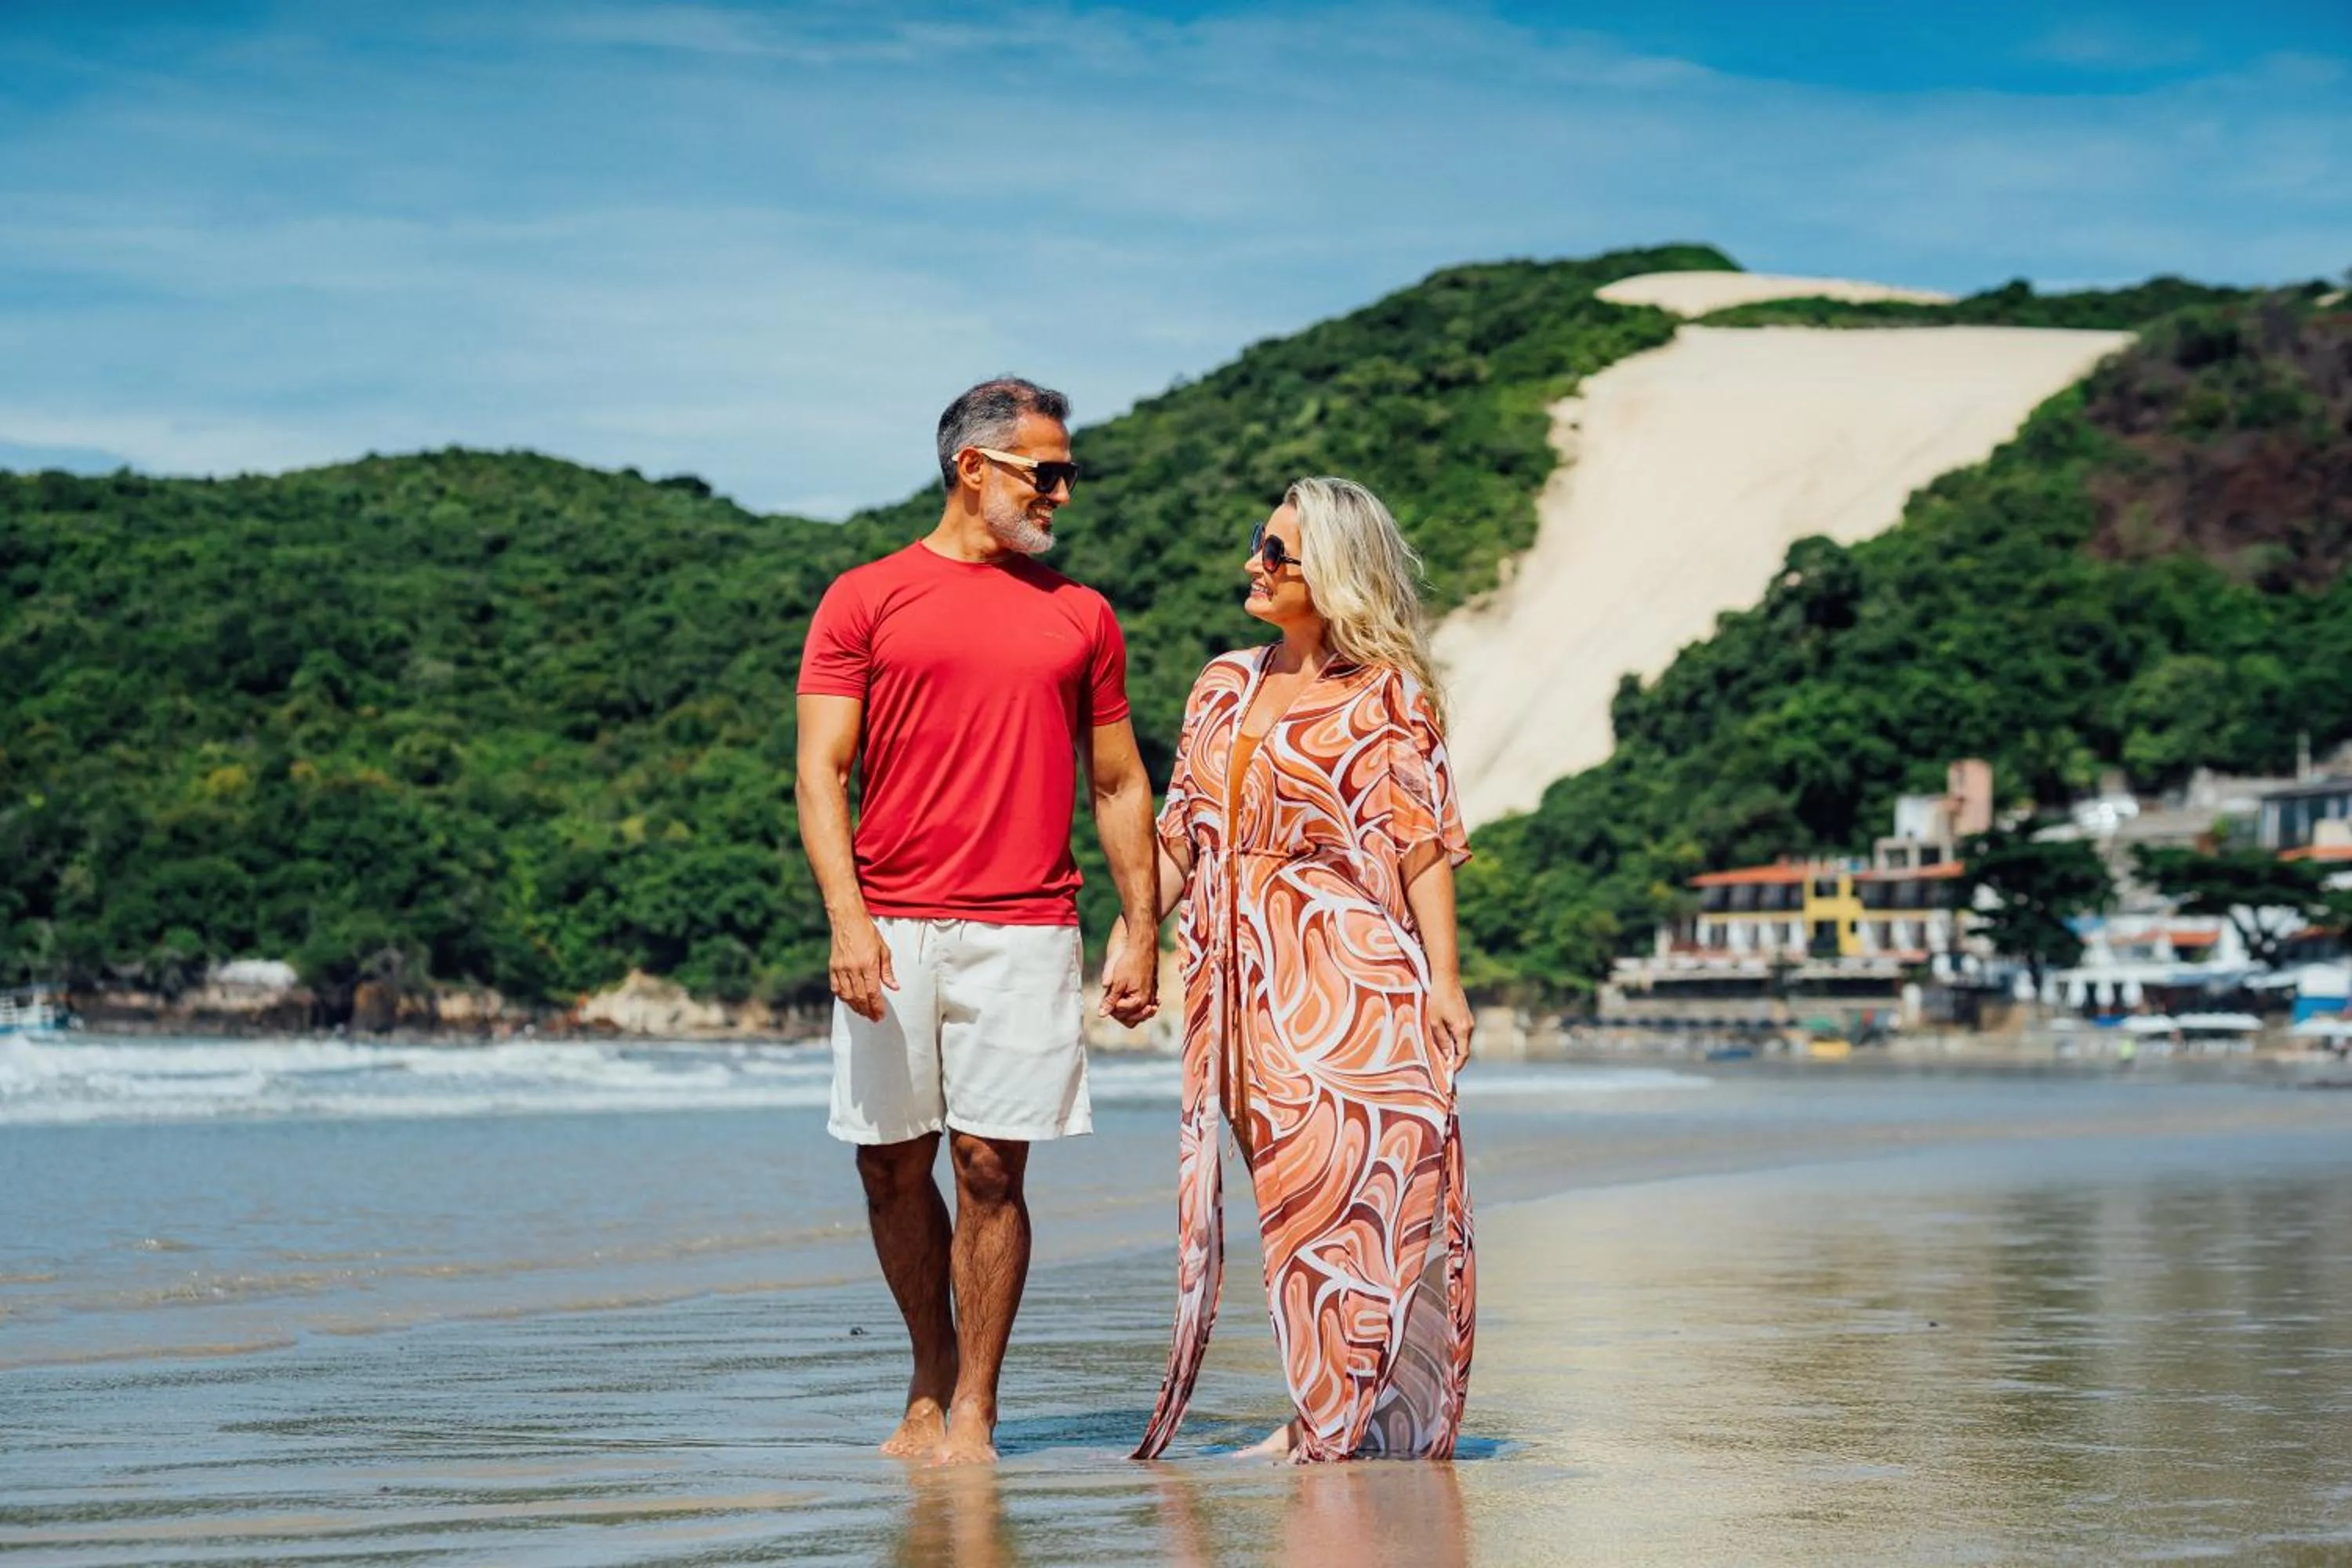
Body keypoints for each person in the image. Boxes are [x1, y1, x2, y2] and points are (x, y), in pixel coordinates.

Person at [797, 377, 1161, 1466]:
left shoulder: (1081, 614)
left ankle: (977, 1409)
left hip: (1027, 927)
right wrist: (847, 921)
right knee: (887, 1167)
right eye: (1045, 472)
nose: (1062, 492)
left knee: (994, 1169)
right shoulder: (864, 597)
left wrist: (1141, 926)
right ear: (974, 469)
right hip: (891, 926)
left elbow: (1119, 784)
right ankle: (929, 1370)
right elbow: (822, 773)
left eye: (1067, 473)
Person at [1134, 476, 1476, 1465]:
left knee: (1350, 1207)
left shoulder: (1386, 694)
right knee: (1293, 1206)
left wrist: (1445, 983)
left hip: (1358, 987)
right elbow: (1181, 831)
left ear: (1331, 572)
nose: (1255, 561)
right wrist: (1133, 936)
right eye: (1258, 541)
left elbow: (1421, 844)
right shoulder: (1221, 683)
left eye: (1277, 551)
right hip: (1244, 996)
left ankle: (1331, 1425)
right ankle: (1346, 1417)